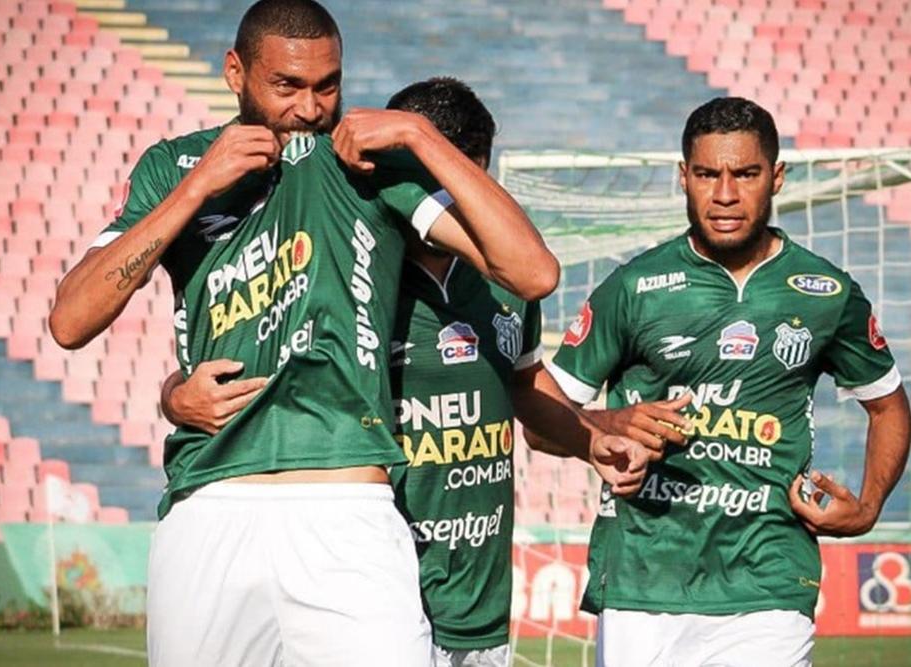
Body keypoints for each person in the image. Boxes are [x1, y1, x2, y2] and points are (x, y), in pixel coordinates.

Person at [47, 1, 560, 664]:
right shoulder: (174, 166)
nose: (309, 109)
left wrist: (418, 135)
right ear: (236, 73)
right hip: (211, 502)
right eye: (286, 86)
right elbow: (70, 321)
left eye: (327, 86)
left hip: (347, 507)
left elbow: (533, 272)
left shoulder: (368, 165)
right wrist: (197, 188)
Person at [162, 77, 652, 667]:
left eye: (465, 172)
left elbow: (524, 385)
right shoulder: (354, 264)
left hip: (477, 604)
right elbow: (252, 365)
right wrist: (173, 395)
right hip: (369, 587)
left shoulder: (502, 281)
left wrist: (591, 439)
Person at [531, 97, 911, 666]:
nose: (726, 194)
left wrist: (868, 505)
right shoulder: (633, 288)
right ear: (683, 177)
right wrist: (609, 423)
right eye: (708, 174)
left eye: (746, 174)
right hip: (643, 578)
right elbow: (540, 422)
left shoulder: (827, 293)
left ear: (776, 177)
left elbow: (887, 406)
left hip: (769, 578)